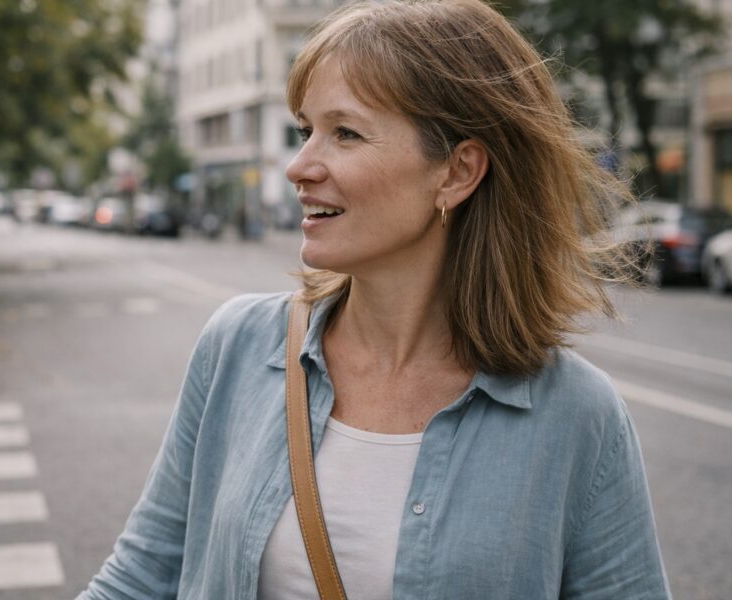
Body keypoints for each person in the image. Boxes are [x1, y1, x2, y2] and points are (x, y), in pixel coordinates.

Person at [78, 1, 669, 598]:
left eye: (346, 133)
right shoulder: (237, 347)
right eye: (306, 131)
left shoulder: (579, 415)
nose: (299, 167)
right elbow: (137, 581)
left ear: (457, 172)